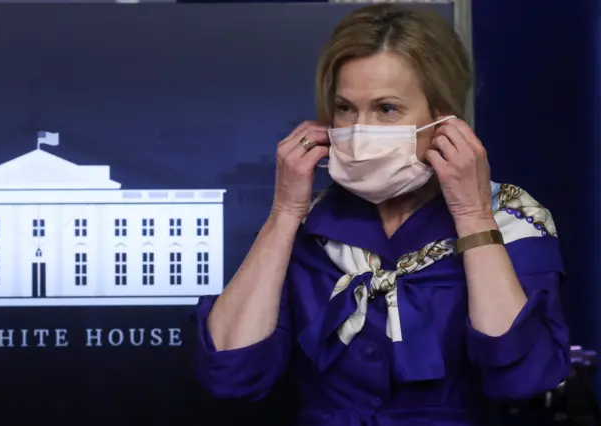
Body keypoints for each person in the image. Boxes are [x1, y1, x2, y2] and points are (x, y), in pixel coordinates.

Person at [192, 4, 570, 425]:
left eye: (386, 109)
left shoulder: (512, 218)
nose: (359, 130)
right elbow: (230, 372)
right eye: (345, 108)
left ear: (444, 117)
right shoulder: (309, 226)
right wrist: (284, 212)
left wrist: (472, 213)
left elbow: (523, 379)